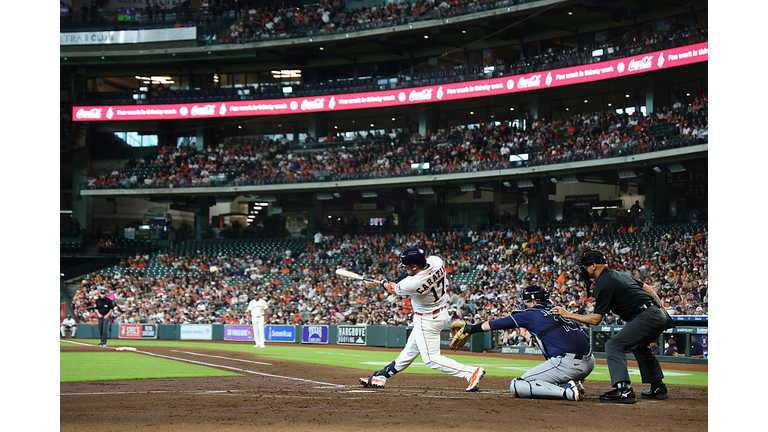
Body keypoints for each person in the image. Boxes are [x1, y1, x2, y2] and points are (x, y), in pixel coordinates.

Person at [551, 249, 674, 404]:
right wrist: (661, 310)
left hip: (647, 315)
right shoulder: (619, 274)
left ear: (593, 265)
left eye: (583, 266)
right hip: (656, 313)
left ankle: (623, 389)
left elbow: (595, 319)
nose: (581, 270)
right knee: (639, 346)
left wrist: (567, 314)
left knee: (614, 345)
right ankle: (658, 387)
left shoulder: (604, 283)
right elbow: (648, 288)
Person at [359, 247, 485, 392]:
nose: (405, 269)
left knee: (431, 360)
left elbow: (394, 288)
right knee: (409, 352)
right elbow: (403, 280)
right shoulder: (436, 261)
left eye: (407, 267)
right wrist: (391, 282)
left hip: (428, 319)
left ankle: (469, 372)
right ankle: (381, 376)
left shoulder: (413, 283)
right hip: (440, 312)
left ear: (414, 266)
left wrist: (384, 283)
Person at [458, 285, 594, 401]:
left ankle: (568, 391)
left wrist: (471, 328)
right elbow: (584, 337)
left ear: (534, 303)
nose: (523, 304)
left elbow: (495, 324)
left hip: (568, 364)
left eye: (526, 302)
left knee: (518, 384)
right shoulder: (560, 312)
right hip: (589, 361)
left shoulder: (530, 314)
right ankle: (576, 382)